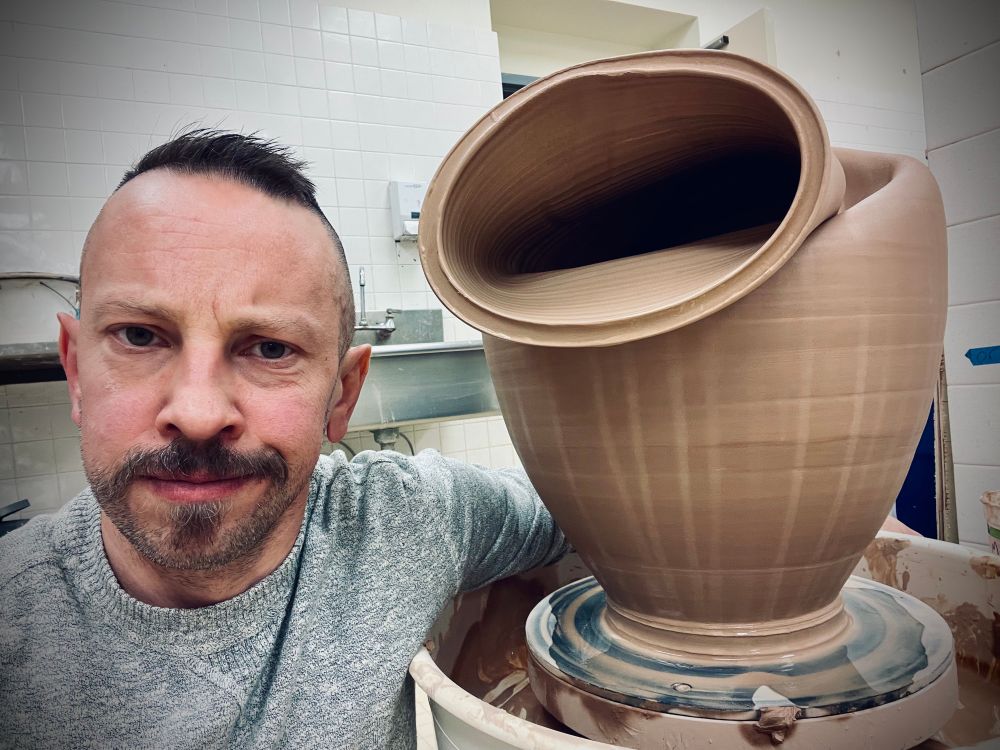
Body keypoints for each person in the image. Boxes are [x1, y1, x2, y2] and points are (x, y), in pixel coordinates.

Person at [0, 130, 568, 749]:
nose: (198, 414)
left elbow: (589, 516)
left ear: (342, 394)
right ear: (76, 371)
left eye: (270, 348)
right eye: (140, 336)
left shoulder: (406, 522)